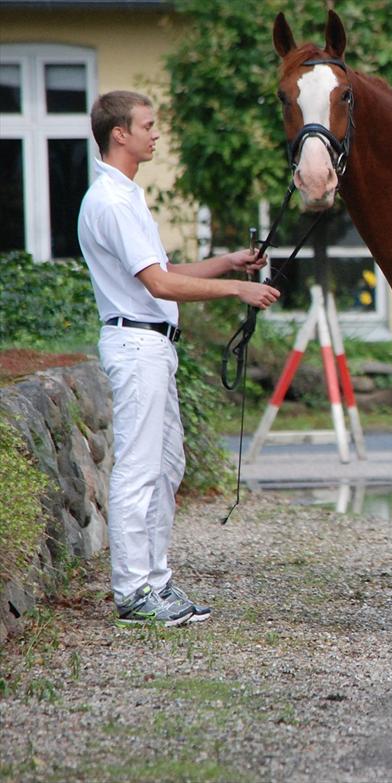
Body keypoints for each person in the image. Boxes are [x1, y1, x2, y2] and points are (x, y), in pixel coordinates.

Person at [78, 90, 281, 626]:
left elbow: (167, 270)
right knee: (139, 471)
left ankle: (157, 583)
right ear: (119, 133)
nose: (156, 133)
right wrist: (239, 292)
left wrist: (231, 263)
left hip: (153, 346)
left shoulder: (127, 196)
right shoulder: (111, 203)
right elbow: (160, 283)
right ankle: (133, 592)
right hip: (136, 345)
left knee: (167, 467)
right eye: (148, 124)